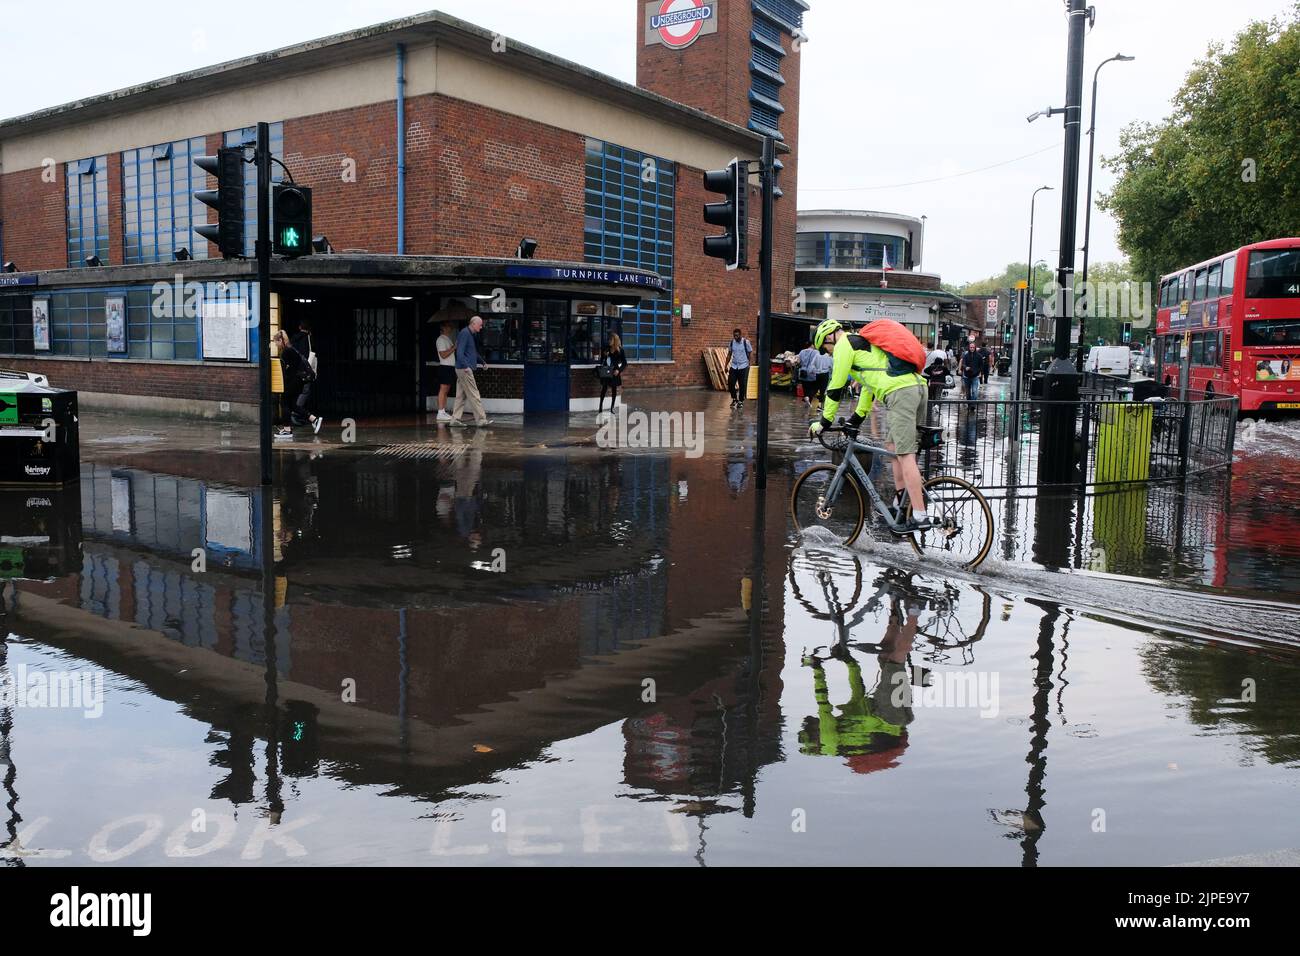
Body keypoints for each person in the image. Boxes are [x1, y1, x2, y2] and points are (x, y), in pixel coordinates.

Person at [808, 319, 935, 534]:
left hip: (901, 392)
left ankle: (921, 515)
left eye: (825, 349)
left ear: (829, 337)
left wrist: (824, 421)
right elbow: (869, 385)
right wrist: (857, 417)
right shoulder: (862, 344)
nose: (828, 354)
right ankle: (899, 505)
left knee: (906, 455)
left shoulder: (844, 345)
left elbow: (836, 386)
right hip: (915, 387)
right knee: (893, 449)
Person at [274, 329, 323, 437]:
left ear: (280, 340)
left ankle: (287, 429)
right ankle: (314, 419)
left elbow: (289, 369)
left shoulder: (286, 351)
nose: (275, 345)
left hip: (293, 381)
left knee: (284, 403)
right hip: (298, 381)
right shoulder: (291, 349)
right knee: (293, 405)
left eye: (276, 342)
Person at [450, 316, 492, 427]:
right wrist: (466, 366)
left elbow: (472, 352)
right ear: (473, 324)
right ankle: (481, 420)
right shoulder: (465, 334)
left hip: (461, 368)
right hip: (464, 369)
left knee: (461, 396)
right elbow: (459, 352)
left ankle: (454, 419)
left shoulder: (469, 334)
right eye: (480, 325)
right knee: (474, 394)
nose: (481, 327)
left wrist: (482, 362)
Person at [597, 333, 628, 413]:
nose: (609, 341)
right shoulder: (607, 348)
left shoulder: (620, 350)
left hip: (615, 372)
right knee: (604, 388)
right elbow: (602, 360)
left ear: (615, 341)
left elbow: (625, 363)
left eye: (611, 340)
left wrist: (619, 370)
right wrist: (604, 355)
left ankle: (612, 408)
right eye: (609, 340)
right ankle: (600, 407)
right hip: (606, 370)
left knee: (614, 389)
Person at [724, 327, 753, 409]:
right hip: (734, 366)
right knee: (730, 383)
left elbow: (750, 352)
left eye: (737, 336)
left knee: (742, 385)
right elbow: (729, 354)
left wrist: (749, 364)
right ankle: (734, 399)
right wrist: (726, 365)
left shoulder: (745, 342)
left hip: (743, 366)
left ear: (740, 335)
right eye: (734, 336)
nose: (735, 337)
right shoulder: (732, 343)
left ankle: (740, 401)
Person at [434, 320, 457, 422]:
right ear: (443, 327)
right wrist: (454, 348)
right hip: (445, 367)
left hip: (450, 367)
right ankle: (440, 412)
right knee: (443, 389)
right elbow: (443, 355)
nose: (451, 328)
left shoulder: (448, 339)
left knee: (446, 390)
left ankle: (443, 411)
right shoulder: (440, 339)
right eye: (449, 325)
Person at [796, 339, 820, 406]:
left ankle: (807, 400)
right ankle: (808, 398)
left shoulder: (802, 351)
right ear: (812, 345)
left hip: (803, 372)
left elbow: (798, 362)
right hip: (812, 373)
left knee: (806, 388)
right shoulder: (816, 352)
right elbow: (818, 362)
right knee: (814, 387)